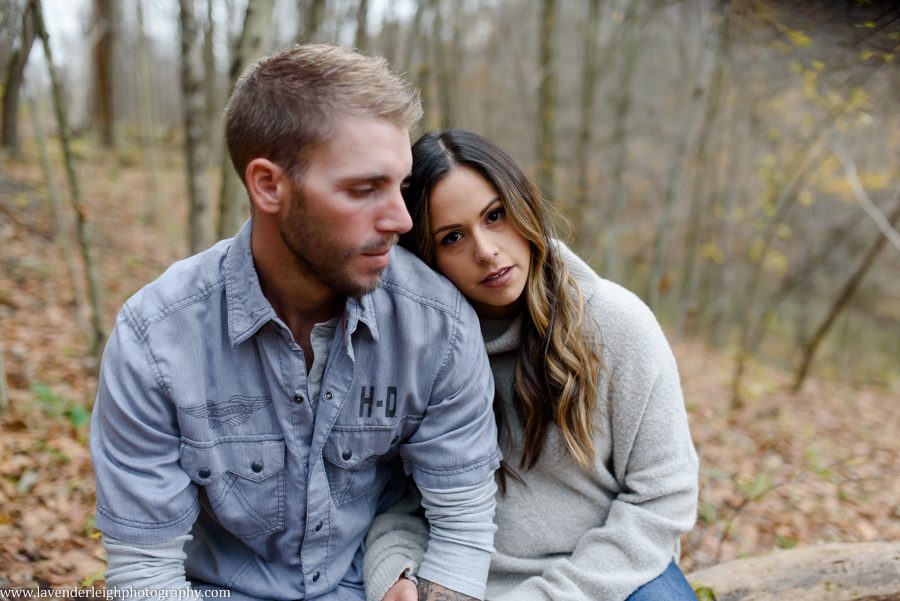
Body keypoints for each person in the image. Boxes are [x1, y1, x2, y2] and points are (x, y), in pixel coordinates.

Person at [89, 47, 502, 601]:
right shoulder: (156, 339)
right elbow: (144, 577)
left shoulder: (436, 325)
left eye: (400, 187)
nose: (402, 221)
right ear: (268, 186)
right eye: (363, 189)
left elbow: (462, 529)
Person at [364, 130, 700, 601]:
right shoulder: (417, 352)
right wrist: (394, 574)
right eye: (453, 237)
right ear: (426, 257)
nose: (485, 250)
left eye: (495, 216)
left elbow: (663, 499)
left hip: (610, 579)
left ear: (523, 206)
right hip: (467, 584)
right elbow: (398, 503)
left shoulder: (615, 324)